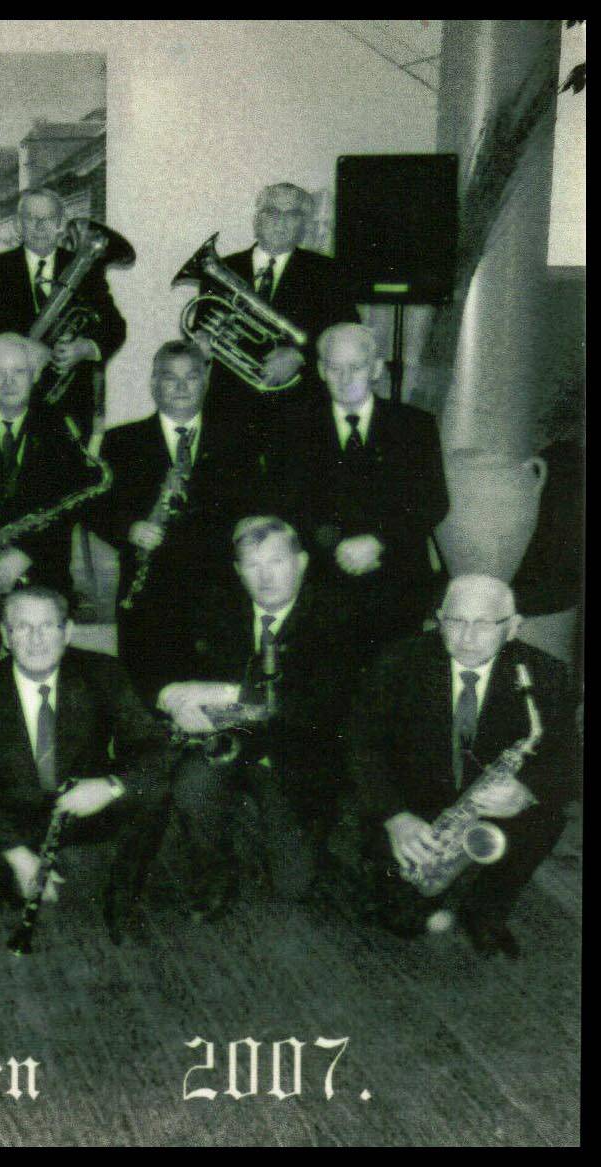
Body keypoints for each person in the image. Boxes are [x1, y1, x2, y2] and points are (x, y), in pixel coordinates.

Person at [348, 575, 578, 958]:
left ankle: (487, 910)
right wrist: (395, 817)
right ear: (440, 619)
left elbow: (569, 761)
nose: (467, 637)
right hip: (413, 806)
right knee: (401, 919)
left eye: (484, 624)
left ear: (513, 627)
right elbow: (361, 747)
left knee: (545, 817)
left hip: (498, 805)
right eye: (456, 621)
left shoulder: (546, 675)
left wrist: (526, 791)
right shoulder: (397, 663)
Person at [0, 587, 173, 944]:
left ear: (67, 631)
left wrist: (110, 786)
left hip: (84, 803)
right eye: (22, 627)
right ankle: (37, 871)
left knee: (151, 791)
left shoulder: (101, 672)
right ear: (5, 636)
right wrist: (17, 855)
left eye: (47, 626)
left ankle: (123, 897)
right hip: (12, 813)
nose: (36, 639)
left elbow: (154, 746)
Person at [156, 516, 358, 919]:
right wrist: (175, 696)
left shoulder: (336, 614)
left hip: (296, 757)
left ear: (302, 562)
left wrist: (228, 695)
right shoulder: (216, 606)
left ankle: (276, 831)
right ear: (238, 570)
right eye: (253, 565)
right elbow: (174, 665)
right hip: (231, 741)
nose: (265, 577)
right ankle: (215, 870)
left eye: (277, 562)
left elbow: (316, 707)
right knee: (193, 783)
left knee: (294, 887)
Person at [0, 333, 106, 697]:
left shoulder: (61, 427)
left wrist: (24, 555)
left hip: (40, 567)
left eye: (19, 372)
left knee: (44, 689)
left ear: (35, 375)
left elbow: (68, 508)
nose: (9, 382)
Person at [93, 340, 258, 702]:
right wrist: (130, 528)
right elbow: (98, 508)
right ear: (153, 384)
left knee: (215, 703)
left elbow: (250, 509)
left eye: (192, 377)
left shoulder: (238, 440)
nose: (182, 387)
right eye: (170, 378)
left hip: (219, 597)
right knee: (149, 700)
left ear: (206, 382)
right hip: (149, 600)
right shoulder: (121, 441)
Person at [277, 322, 448, 657]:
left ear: (376, 369)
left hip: (397, 583)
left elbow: (433, 501)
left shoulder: (415, 426)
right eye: (335, 368)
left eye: (355, 367)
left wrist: (378, 541)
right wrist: (336, 547)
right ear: (321, 370)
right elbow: (287, 503)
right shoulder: (294, 428)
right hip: (322, 586)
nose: (345, 378)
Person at [199, 182, 358, 450]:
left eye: (292, 214)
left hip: (299, 411)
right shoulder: (220, 268)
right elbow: (202, 326)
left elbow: (347, 334)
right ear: (256, 220)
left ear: (303, 225)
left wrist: (301, 356)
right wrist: (203, 342)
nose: (280, 222)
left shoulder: (328, 272)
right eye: (272, 212)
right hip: (231, 407)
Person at [0, 188, 127, 433]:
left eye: (48, 218)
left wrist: (85, 348)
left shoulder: (88, 270)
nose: (40, 226)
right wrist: (28, 348)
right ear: (19, 224)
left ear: (60, 223)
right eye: (31, 218)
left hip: (68, 403)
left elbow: (115, 327)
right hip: (4, 397)